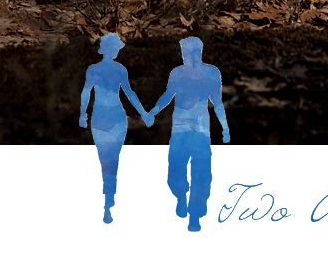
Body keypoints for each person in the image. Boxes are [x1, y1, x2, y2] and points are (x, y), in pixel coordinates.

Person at [146, 36, 228, 232]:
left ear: (198, 52)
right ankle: (181, 196)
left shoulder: (211, 73)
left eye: (188, 53)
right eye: (183, 53)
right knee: (175, 171)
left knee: (201, 174)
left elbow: (217, 102)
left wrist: (225, 127)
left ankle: (195, 216)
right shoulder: (177, 73)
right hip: (180, 129)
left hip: (200, 131)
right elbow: (168, 95)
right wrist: (153, 111)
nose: (185, 56)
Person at [77, 32, 152, 224]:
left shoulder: (96, 70)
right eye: (116, 48)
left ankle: (108, 199)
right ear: (110, 49)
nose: (118, 51)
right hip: (113, 116)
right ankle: (108, 199)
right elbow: (129, 94)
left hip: (104, 116)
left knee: (106, 159)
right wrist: (143, 113)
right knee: (112, 159)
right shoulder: (117, 70)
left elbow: (87, 93)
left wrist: (83, 114)